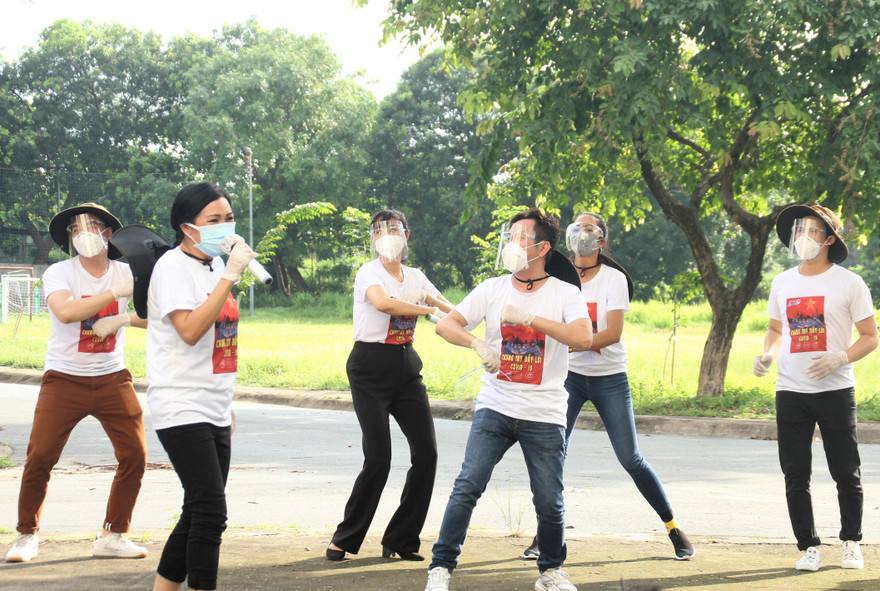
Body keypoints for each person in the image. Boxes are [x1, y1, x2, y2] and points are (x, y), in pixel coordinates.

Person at [425, 208, 592, 591]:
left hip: (545, 411)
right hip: (496, 405)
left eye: (520, 238)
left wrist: (531, 320)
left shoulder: (565, 293)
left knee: (549, 500)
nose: (511, 245)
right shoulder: (492, 288)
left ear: (543, 247)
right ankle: (441, 567)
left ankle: (551, 571)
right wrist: (477, 343)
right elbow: (448, 325)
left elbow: (582, 339)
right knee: (468, 485)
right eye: (510, 237)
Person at [522, 212, 694, 561]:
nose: (580, 233)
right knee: (553, 454)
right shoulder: (556, 273)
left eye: (589, 228)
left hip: (609, 378)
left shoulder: (613, 279)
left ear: (600, 241)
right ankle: (546, 535)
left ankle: (673, 527)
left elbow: (613, 333)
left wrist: (574, 341)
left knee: (630, 457)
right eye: (576, 227)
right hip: (567, 377)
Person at [4, 203, 149, 563]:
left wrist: (124, 320)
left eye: (91, 225)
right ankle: (26, 535)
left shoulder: (126, 271)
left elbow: (162, 315)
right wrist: (115, 294)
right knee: (40, 456)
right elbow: (66, 311)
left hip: (113, 376)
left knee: (135, 454)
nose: (83, 233)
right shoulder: (60, 272)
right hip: (64, 378)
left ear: (108, 234)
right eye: (75, 229)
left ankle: (114, 534)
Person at [754, 203, 877, 572]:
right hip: (790, 390)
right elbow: (776, 330)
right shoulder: (782, 282)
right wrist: (767, 354)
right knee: (795, 473)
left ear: (828, 239)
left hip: (836, 391)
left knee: (845, 471)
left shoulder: (849, 283)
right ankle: (808, 546)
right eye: (798, 231)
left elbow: (870, 337)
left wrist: (841, 357)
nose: (803, 237)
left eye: (811, 231)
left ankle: (851, 542)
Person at [327, 209, 453, 562]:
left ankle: (401, 538)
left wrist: (471, 325)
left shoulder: (416, 276)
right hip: (369, 367)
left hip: (405, 367)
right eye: (379, 230)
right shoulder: (369, 272)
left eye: (393, 228)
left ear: (406, 235)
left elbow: (447, 308)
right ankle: (345, 537)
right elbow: (382, 303)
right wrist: (423, 306)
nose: (386, 234)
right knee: (379, 458)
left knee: (427, 454)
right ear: (373, 238)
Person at [147, 182, 256, 591]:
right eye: (214, 220)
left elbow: (219, 342)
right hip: (179, 402)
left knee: (196, 510)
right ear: (187, 227)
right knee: (212, 512)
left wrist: (226, 405)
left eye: (228, 218)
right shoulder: (172, 267)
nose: (224, 227)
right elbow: (190, 330)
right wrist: (230, 276)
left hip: (214, 404)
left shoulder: (212, 267)